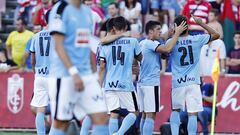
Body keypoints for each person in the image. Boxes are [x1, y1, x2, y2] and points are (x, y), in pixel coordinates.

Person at [48, 0, 108, 134]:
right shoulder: (60, 9)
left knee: (102, 116)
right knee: (62, 122)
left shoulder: (87, 12)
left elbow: (85, 45)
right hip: (64, 75)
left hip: (86, 75)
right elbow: (58, 46)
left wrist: (93, 74)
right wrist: (74, 72)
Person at [169, 15, 220, 135]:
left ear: (176, 27)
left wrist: (174, 33)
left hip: (178, 82)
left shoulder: (170, 43)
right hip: (193, 82)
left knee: (175, 111)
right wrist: (201, 24)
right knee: (193, 114)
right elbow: (217, 35)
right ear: (188, 27)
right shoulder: (197, 39)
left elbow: (165, 52)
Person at [138, 20, 187, 135]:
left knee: (145, 114)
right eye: (158, 29)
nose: (160, 32)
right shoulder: (150, 43)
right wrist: (176, 34)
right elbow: (167, 49)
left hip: (142, 83)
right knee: (151, 114)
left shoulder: (142, 43)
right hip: (151, 83)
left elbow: (163, 53)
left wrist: (169, 36)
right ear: (150, 32)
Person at [99, 16, 142, 135]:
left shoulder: (105, 45)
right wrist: (134, 63)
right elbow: (140, 58)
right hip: (125, 84)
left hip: (109, 84)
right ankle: (119, 134)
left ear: (113, 28)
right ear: (126, 27)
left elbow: (102, 66)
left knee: (113, 113)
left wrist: (99, 84)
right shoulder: (133, 41)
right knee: (134, 112)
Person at [29, 11, 53, 135]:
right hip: (54, 76)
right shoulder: (59, 36)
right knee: (57, 108)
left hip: (40, 75)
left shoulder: (36, 36)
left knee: (40, 109)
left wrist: (35, 72)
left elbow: (32, 59)